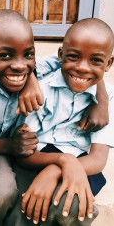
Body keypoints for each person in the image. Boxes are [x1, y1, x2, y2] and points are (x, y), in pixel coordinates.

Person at [0, 11, 109, 226]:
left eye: (28, 55)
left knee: (8, 191)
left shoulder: (34, 74)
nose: (19, 65)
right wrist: (10, 145)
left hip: (13, 154)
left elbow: (82, 64)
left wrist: (102, 100)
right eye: (5, 55)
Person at [6, 18, 114, 226]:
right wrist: (61, 161)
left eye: (96, 61)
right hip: (39, 157)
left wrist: (57, 168)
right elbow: (24, 153)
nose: (83, 68)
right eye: (74, 57)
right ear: (60, 55)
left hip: (82, 163)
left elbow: (98, 160)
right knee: (28, 205)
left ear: (108, 64)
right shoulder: (42, 90)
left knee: (74, 206)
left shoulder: (108, 98)